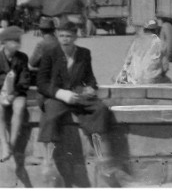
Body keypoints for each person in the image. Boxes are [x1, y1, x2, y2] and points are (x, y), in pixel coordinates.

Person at [36, 21, 128, 186]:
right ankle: (47, 162)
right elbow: (41, 83)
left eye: (69, 36)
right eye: (62, 36)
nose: (65, 39)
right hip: (57, 95)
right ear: (57, 36)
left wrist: (91, 88)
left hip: (78, 94)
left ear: (75, 36)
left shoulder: (84, 53)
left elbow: (90, 78)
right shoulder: (50, 53)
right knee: (50, 117)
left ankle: (102, 158)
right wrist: (61, 94)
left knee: (100, 110)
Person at [0, 26, 30, 163]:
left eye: (18, 40)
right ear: (4, 43)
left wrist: (14, 94)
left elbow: (24, 80)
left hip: (16, 93)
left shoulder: (22, 58)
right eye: (13, 41)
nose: (17, 43)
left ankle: (12, 143)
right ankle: (4, 144)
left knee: (19, 107)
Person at [114, 19, 171, 84]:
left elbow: (127, 62)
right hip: (152, 80)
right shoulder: (161, 43)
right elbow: (165, 67)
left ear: (144, 30)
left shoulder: (136, 42)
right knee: (168, 82)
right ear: (156, 30)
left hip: (135, 79)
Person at [28, 17, 59, 84]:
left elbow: (32, 63)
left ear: (41, 31)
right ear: (53, 30)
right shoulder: (59, 42)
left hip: (47, 75)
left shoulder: (42, 44)